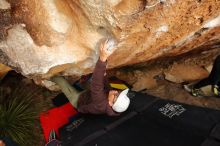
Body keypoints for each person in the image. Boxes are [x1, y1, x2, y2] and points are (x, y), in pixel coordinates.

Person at [51, 39, 130, 116]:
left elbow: (96, 84)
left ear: (110, 103)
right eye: (119, 92)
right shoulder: (110, 96)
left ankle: (50, 77)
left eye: (116, 96)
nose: (116, 92)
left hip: (79, 101)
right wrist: (104, 75)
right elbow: (107, 86)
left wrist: (102, 58)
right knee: (90, 78)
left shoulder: (101, 104)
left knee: (62, 82)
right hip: (88, 96)